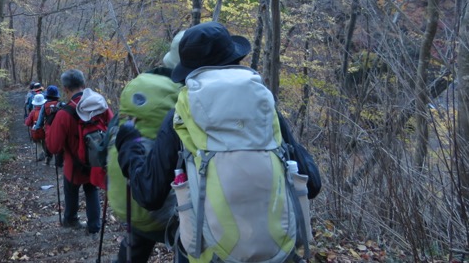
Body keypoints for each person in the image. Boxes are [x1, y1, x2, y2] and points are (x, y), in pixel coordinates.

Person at [115, 21, 320, 263]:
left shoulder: (181, 114)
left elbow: (149, 194)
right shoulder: (265, 108)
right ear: (234, 58)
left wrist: (129, 147)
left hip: (210, 255)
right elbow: (312, 183)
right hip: (277, 252)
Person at [109, 29, 185, 263]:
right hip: (170, 208)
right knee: (188, 247)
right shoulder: (188, 98)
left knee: (136, 242)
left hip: (131, 198)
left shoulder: (139, 86)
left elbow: (109, 138)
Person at [46, 69, 113, 234]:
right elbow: (113, 129)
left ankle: (71, 219)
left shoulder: (64, 113)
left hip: (74, 165)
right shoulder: (100, 105)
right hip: (96, 161)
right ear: (84, 85)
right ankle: (94, 226)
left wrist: (49, 125)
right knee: (91, 190)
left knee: (71, 190)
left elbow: (53, 147)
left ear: (66, 89)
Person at [34, 85, 62, 165]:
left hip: (49, 128)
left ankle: (48, 158)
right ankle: (60, 160)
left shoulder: (44, 106)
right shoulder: (61, 104)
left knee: (48, 143)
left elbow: (40, 119)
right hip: (59, 128)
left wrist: (37, 127)